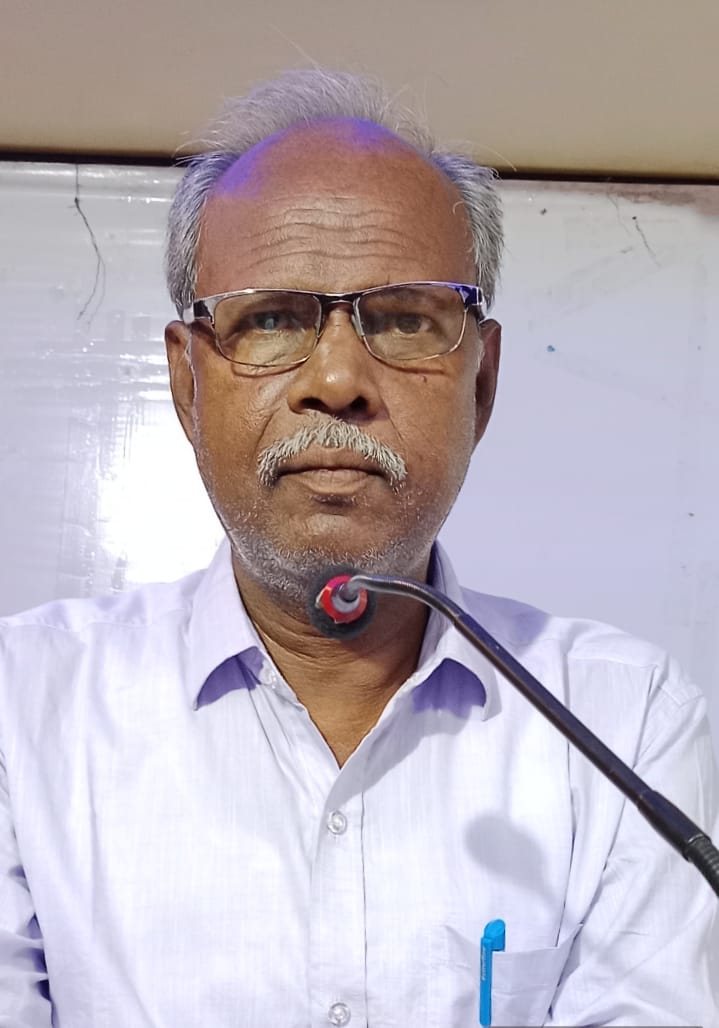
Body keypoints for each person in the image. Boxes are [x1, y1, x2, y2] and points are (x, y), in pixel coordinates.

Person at [0, 69, 716, 1028]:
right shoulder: (24, 709)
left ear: (481, 383)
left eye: (406, 318)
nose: (337, 379)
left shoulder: (625, 721)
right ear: (186, 385)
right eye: (270, 318)